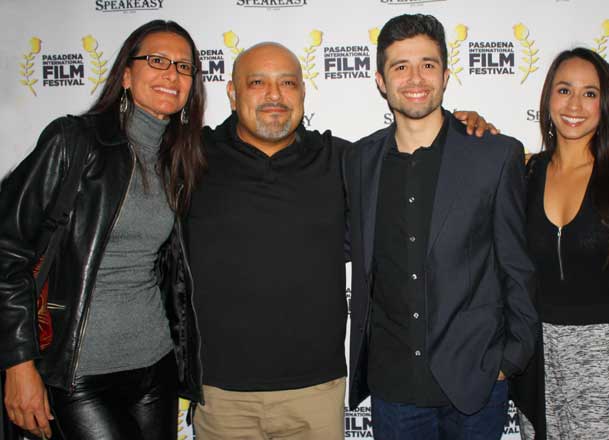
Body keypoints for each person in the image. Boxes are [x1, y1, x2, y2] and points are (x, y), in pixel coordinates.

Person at [188, 41, 495, 439]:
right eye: (257, 83)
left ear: (303, 91)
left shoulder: (344, 161)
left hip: (316, 393)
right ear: (232, 93)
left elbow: (418, 163)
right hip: (221, 395)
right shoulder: (191, 158)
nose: (274, 96)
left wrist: (464, 127)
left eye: (288, 83)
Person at [0, 20, 205, 439]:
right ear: (126, 75)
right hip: (78, 373)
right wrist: (18, 364)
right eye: (157, 60)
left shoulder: (180, 160)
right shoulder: (73, 141)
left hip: (155, 367)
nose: (172, 74)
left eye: (184, 67)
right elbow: (7, 250)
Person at [344, 14, 538, 440]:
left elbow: (516, 266)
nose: (416, 78)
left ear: (447, 75)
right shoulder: (358, 162)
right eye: (400, 66)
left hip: (476, 387)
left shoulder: (494, 155)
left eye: (428, 65)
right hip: (393, 387)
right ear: (380, 80)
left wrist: (511, 358)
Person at [510, 47, 609, 440]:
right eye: (564, 90)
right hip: (538, 362)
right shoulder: (526, 175)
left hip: (605, 362)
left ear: (606, 105)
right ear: (548, 100)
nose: (575, 104)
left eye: (590, 93)